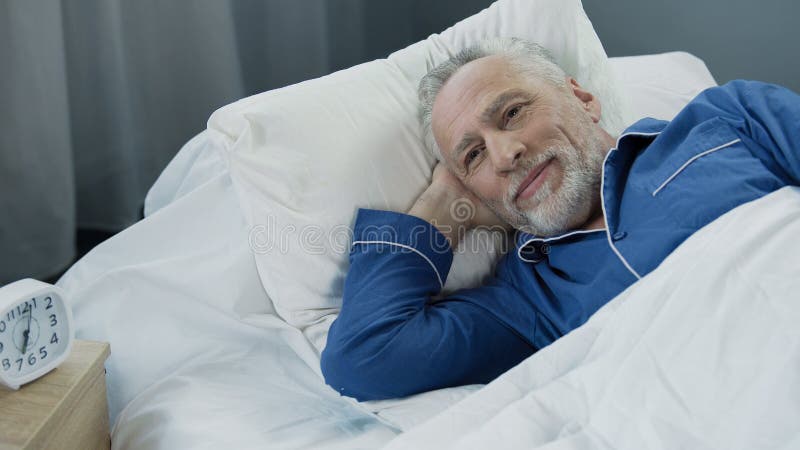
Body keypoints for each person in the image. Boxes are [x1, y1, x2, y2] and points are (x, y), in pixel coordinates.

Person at [320, 37, 800, 401]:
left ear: (583, 99)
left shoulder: (729, 120)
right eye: (473, 156)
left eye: (511, 113)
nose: (505, 154)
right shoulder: (529, 304)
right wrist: (445, 202)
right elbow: (364, 357)